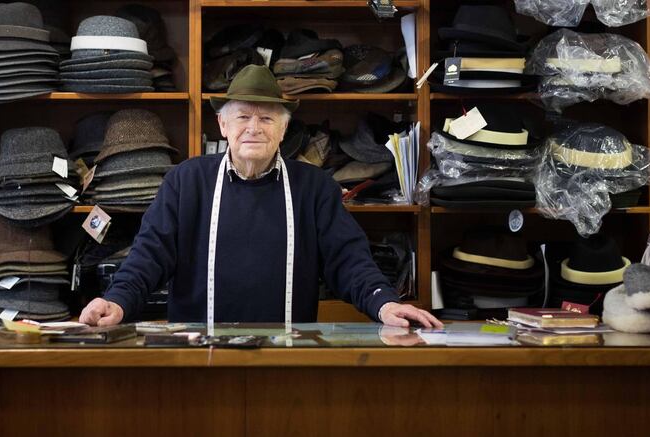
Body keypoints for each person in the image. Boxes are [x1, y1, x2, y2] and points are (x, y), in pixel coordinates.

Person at [80, 64, 442, 329]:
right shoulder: (185, 182)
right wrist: (117, 300)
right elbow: (148, 256)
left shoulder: (314, 188)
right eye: (242, 117)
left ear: (283, 129)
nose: (253, 128)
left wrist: (384, 303)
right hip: (197, 356)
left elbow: (349, 260)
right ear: (223, 125)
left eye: (267, 118)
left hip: (285, 358)